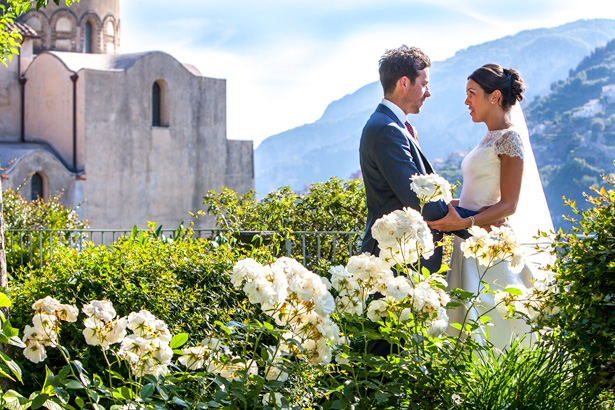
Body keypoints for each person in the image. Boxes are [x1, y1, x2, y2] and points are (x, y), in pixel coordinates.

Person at [427, 63, 554, 349]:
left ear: (494, 96)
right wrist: (453, 204)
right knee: (465, 318)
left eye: (472, 93)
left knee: (489, 321)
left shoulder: (510, 138)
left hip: (488, 246)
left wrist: (466, 222)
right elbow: (482, 196)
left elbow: (509, 204)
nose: (466, 101)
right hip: (469, 240)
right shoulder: (489, 136)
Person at [360, 45, 477, 274]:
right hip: (396, 263)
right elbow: (421, 201)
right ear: (404, 83)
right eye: (424, 84)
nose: (428, 92)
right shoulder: (386, 130)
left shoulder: (392, 126)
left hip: (402, 259)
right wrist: (477, 222)